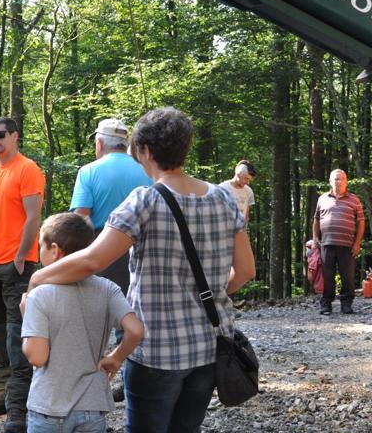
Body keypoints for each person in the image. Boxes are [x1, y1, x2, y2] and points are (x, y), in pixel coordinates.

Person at [29, 107, 255, 432]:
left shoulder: (146, 201)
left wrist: (39, 277)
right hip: (209, 346)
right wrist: (204, 295)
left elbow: (93, 259)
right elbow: (245, 271)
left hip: (156, 353)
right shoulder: (223, 198)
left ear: (146, 151)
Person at [21, 213, 144, 433]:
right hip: (92, 406)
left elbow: (37, 356)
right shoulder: (108, 288)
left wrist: (27, 316)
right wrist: (116, 358)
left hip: (49, 406)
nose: (39, 251)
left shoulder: (39, 295)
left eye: (41, 246)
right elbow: (135, 330)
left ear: (55, 250)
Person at [0, 117, 46, 431]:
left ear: (14, 136)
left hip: (16, 264)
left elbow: (33, 217)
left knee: (18, 334)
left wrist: (20, 256)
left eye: (0, 134)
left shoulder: (28, 169)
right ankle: (5, 391)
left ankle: (19, 408)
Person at [70, 117, 152, 294]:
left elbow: (81, 218)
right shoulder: (148, 169)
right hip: (145, 249)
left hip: (103, 252)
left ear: (99, 143)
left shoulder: (88, 171)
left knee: (105, 311)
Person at [312, 169, 366, 315]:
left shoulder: (354, 199)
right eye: (336, 179)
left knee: (347, 276)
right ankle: (326, 304)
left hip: (347, 245)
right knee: (327, 276)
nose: (339, 181)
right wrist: (315, 238)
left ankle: (346, 304)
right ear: (330, 181)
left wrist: (357, 243)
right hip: (326, 243)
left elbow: (361, 222)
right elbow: (316, 219)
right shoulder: (322, 198)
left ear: (346, 181)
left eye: (342, 178)